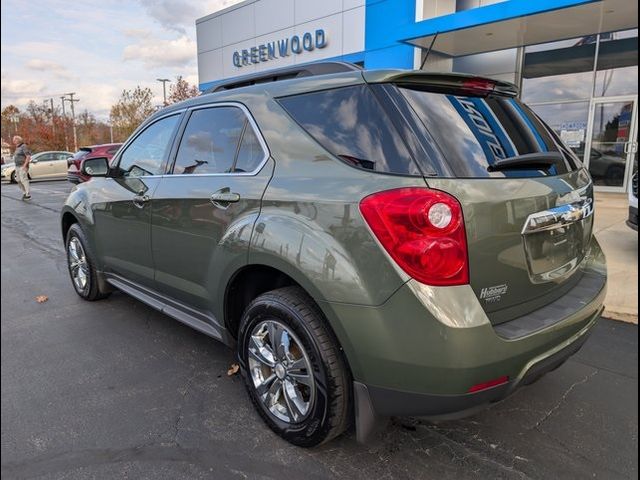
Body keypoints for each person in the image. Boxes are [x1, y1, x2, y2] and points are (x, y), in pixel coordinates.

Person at [12, 135, 31, 200]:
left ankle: (28, 194)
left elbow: (28, 156)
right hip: (17, 166)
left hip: (22, 166)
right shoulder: (17, 147)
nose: (13, 141)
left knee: (24, 180)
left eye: (14, 140)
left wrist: (25, 166)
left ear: (18, 140)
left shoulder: (23, 146)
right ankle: (24, 192)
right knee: (18, 180)